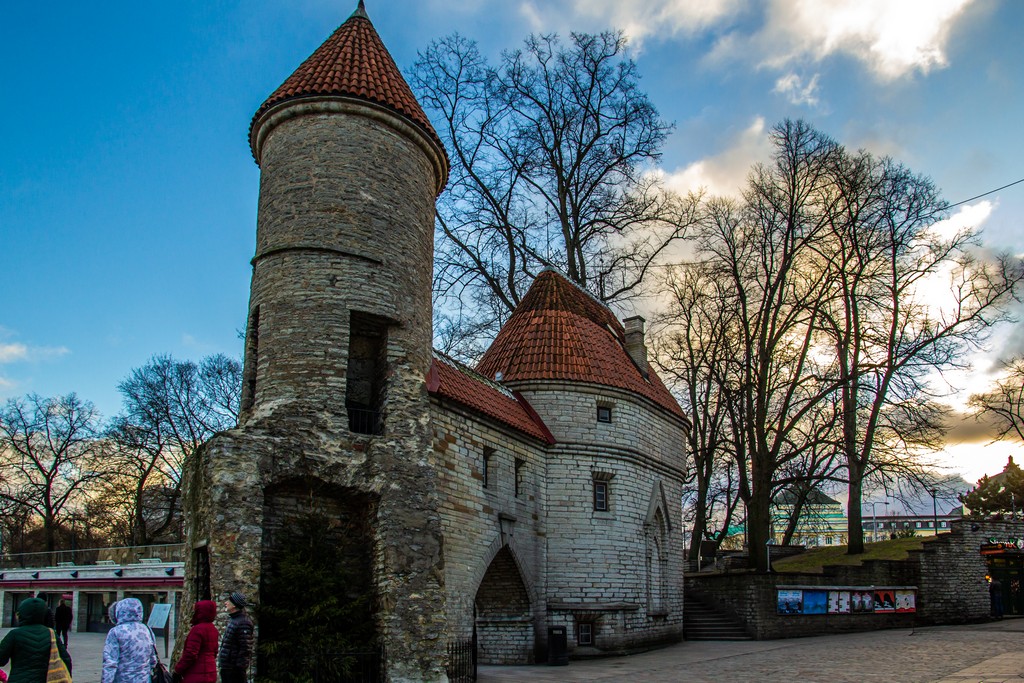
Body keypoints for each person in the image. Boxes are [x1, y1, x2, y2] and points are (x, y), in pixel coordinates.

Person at [0, 597, 72, 683]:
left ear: (22, 614)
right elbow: (66, 659)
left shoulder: (14, 634)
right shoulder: (51, 634)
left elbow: (1, 659)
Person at [101, 597, 158, 683]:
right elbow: (153, 659)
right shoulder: (147, 630)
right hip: (144, 679)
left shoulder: (116, 632)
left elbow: (110, 663)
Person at [173, 600, 219, 683]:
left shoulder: (197, 629)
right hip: (211, 671)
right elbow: (215, 651)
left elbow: (190, 654)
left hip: (196, 673)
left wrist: (178, 670)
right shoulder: (213, 629)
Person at [218, 592, 254, 683]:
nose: (226, 603)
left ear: (234, 605)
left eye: (228, 601)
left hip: (233, 669)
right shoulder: (234, 620)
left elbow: (246, 647)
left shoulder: (243, 622)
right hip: (228, 667)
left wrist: (239, 668)